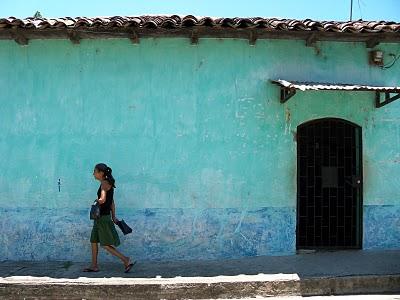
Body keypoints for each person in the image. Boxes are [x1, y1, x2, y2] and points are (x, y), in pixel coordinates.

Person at [83, 163, 135, 273]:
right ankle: (94, 265)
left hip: (102, 219)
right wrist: (114, 216)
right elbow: (112, 202)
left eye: (95, 171)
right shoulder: (109, 183)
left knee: (105, 244)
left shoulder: (104, 184)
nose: (93, 174)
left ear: (101, 173)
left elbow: (103, 199)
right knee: (93, 241)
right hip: (101, 218)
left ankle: (126, 260)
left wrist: (96, 201)